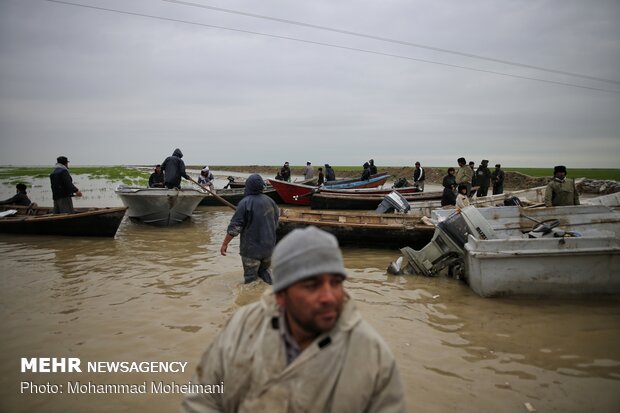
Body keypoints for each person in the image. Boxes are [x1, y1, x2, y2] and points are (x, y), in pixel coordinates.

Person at [183, 226, 407, 413]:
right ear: (281, 295)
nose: (329, 297)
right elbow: (202, 399)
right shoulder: (243, 327)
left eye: (336, 282)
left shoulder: (373, 356)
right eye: (312, 285)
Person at [220, 174, 279, 284]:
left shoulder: (244, 203)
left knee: (251, 280)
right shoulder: (271, 202)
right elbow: (276, 223)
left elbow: (235, 228)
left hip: (251, 250)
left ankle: (250, 299)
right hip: (268, 249)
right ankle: (270, 294)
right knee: (266, 274)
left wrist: (225, 244)